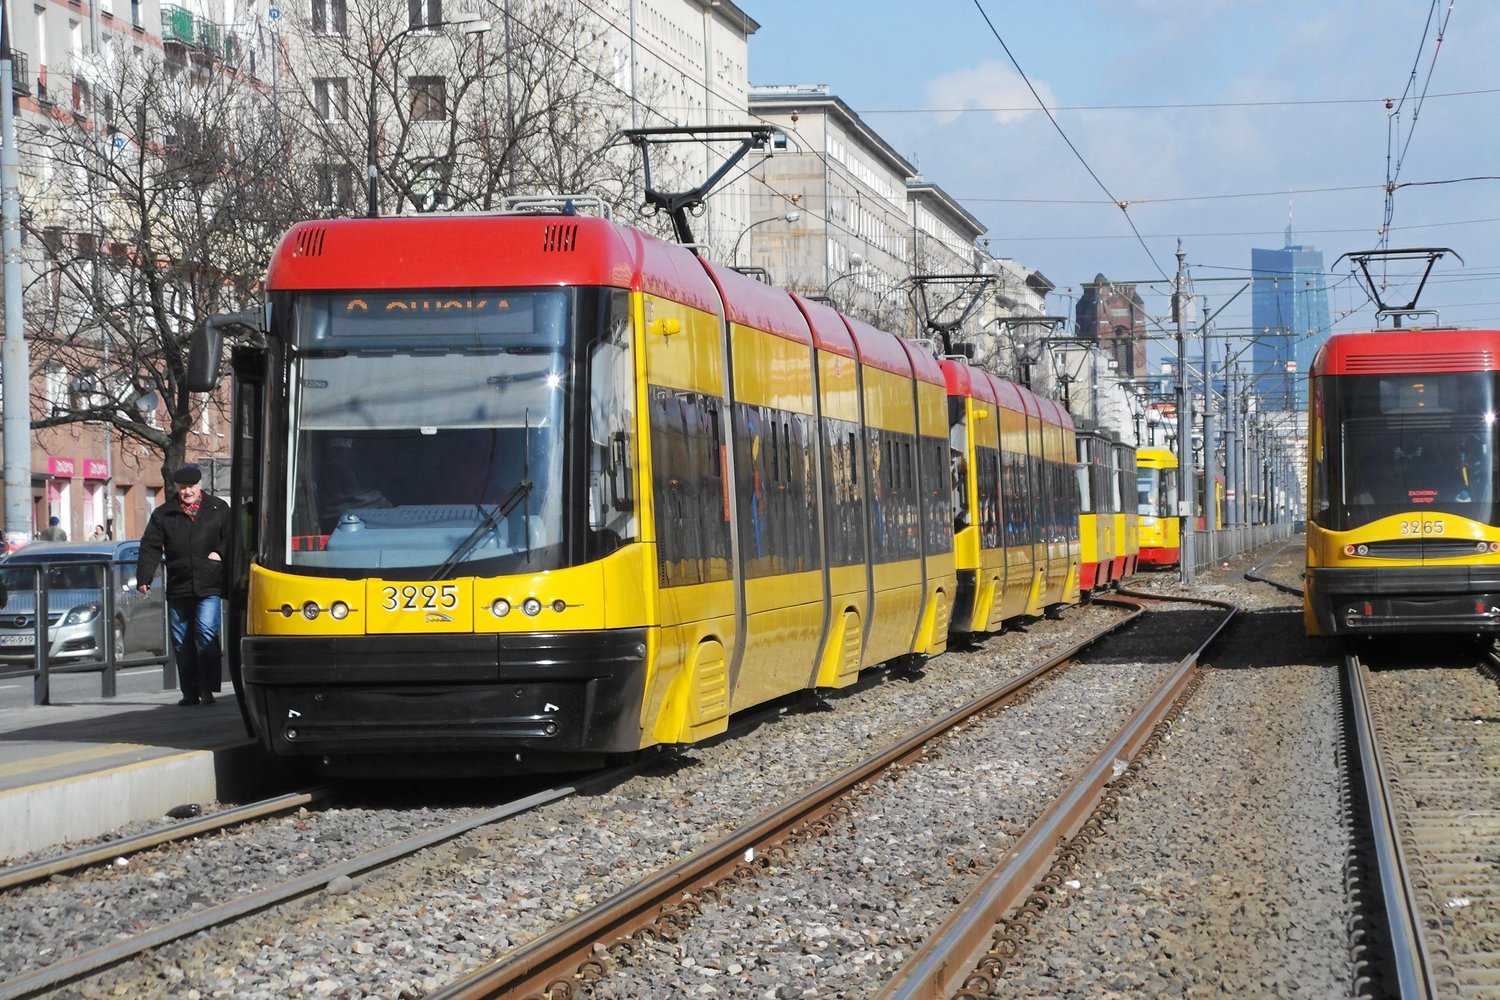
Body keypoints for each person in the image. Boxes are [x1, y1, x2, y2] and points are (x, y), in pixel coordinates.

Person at [136, 464, 231, 706]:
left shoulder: (218, 508)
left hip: (209, 582)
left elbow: (231, 537)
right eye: (182, 488)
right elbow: (150, 546)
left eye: (190, 487)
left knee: (206, 633)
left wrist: (220, 554)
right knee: (181, 640)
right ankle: (189, 692)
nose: (186, 492)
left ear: (200, 486)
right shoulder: (163, 514)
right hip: (179, 584)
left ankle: (207, 689)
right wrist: (144, 577)